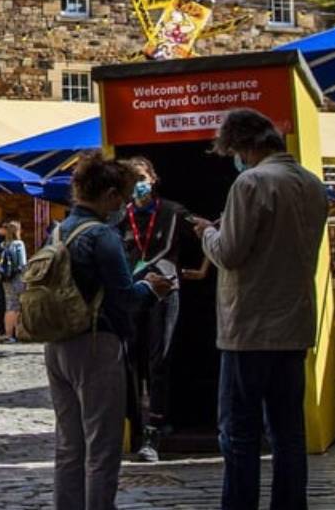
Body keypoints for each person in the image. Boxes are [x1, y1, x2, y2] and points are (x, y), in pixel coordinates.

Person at [188, 110, 331, 510]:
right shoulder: (313, 185)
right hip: (295, 324)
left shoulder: (251, 182)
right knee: (289, 433)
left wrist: (208, 232)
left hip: (249, 328)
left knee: (239, 434)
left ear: (243, 146)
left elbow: (230, 254)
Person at [49, 154, 172, 510]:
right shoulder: (102, 235)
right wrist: (151, 289)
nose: (125, 205)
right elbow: (125, 299)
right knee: (102, 446)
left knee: (69, 446)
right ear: (109, 195)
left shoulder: (57, 231)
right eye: (123, 197)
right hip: (96, 343)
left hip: (57, 344)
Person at [112, 157, 207, 461]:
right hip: (131, 293)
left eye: (141, 178)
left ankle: (154, 431)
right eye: (131, 180)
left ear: (153, 179)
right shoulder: (120, 216)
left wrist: (203, 269)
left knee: (159, 361)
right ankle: (134, 427)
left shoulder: (172, 212)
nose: (137, 185)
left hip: (165, 293)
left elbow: (208, 230)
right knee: (130, 361)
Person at [0, 220, 30, 343]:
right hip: (17, 278)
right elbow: (22, 264)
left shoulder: (5, 244)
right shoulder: (19, 244)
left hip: (6, 278)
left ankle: (8, 334)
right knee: (19, 306)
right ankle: (18, 333)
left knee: (10, 306)